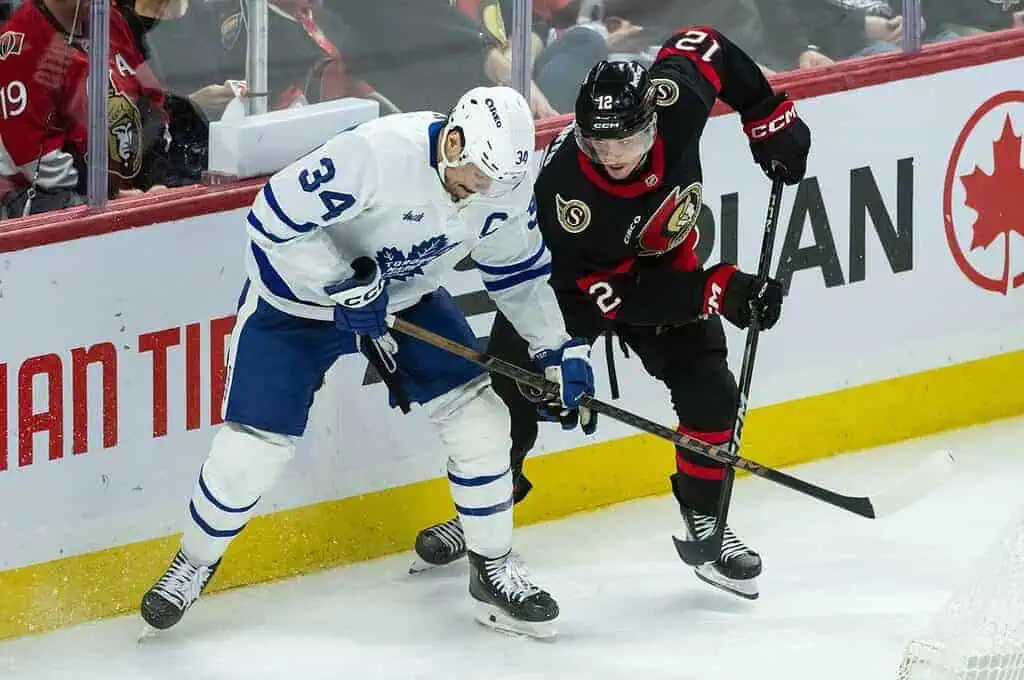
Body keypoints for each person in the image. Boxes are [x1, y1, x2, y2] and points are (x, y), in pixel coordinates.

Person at [139, 85, 597, 640]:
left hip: (405, 300)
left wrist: (555, 348)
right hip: (295, 304)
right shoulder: (377, 155)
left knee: (483, 422)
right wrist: (340, 283)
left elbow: (517, 271)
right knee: (249, 452)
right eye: (478, 173)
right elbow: (270, 220)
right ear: (453, 141)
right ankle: (194, 561)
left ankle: (493, 567)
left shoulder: (503, 181)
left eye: (498, 180)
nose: (485, 190)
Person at [411, 25, 811, 601]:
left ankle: (706, 518)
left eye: (625, 140)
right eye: (599, 143)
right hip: (566, 288)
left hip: (664, 264)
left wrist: (767, 115)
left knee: (711, 391)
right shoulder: (563, 192)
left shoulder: (676, 102)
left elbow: (704, 45)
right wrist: (718, 289)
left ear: (654, 119)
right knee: (507, 399)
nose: (612, 155)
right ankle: (482, 513)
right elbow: (617, 300)